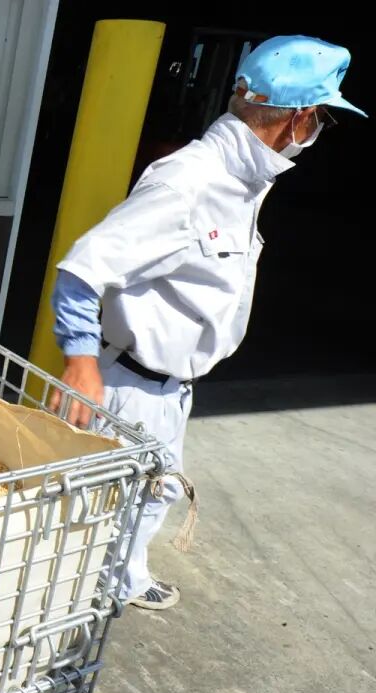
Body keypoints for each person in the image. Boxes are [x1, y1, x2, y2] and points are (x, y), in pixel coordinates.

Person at [46, 35, 365, 610]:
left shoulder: (243, 182)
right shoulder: (188, 183)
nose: (318, 131)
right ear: (299, 119)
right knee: (93, 506)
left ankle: (121, 581)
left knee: (154, 493)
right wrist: (80, 360)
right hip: (130, 386)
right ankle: (66, 605)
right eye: (322, 118)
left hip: (169, 386)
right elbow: (82, 269)